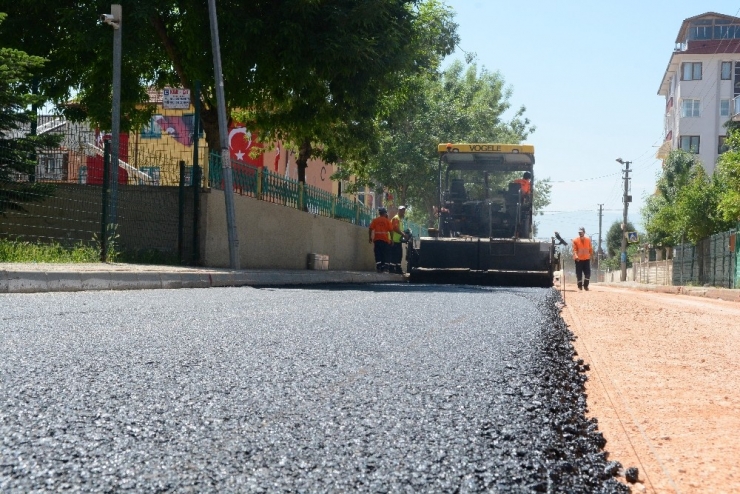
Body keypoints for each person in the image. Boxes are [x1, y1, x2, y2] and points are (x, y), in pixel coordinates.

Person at [369, 207, 393, 273]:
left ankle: (379, 267)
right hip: (385, 240)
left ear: (379, 213)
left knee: (377, 254)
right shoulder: (387, 221)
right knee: (385, 254)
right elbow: (391, 231)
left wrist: (370, 237)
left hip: (377, 240)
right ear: (385, 213)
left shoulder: (375, 220)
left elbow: (370, 228)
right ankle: (385, 268)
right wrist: (392, 239)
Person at [572, 226, 594, 290]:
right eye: (579, 232)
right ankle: (579, 286)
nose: (580, 233)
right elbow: (574, 250)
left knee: (588, 274)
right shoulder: (575, 240)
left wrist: (592, 256)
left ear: (584, 232)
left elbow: (590, 249)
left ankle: (586, 286)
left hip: (586, 259)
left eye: (581, 232)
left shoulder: (588, 240)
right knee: (579, 274)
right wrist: (576, 257)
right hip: (578, 260)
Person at [389, 206, 409, 274]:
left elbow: (399, 229)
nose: (403, 212)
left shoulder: (400, 219)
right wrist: (404, 234)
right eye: (401, 210)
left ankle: (397, 269)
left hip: (397, 241)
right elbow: (395, 228)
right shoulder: (396, 218)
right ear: (398, 211)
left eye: (403, 211)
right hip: (394, 240)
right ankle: (392, 269)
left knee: (399, 255)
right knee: (395, 255)